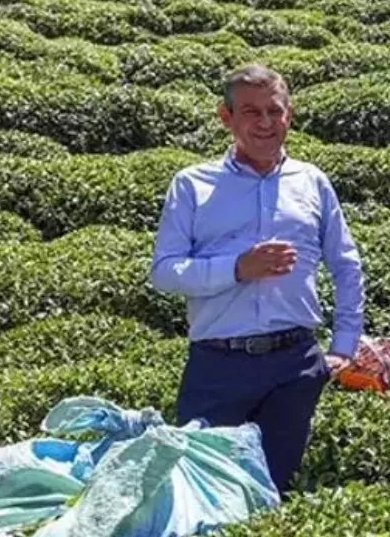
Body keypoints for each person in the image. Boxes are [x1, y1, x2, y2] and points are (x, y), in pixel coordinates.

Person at [149, 64, 366, 494]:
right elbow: (164, 271)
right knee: (201, 491)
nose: (265, 123)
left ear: (290, 115)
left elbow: (345, 264)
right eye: (251, 112)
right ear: (226, 117)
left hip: (294, 363)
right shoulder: (193, 185)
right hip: (218, 364)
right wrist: (236, 268)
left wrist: (344, 346)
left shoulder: (312, 182)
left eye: (275, 111)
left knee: (273, 490)